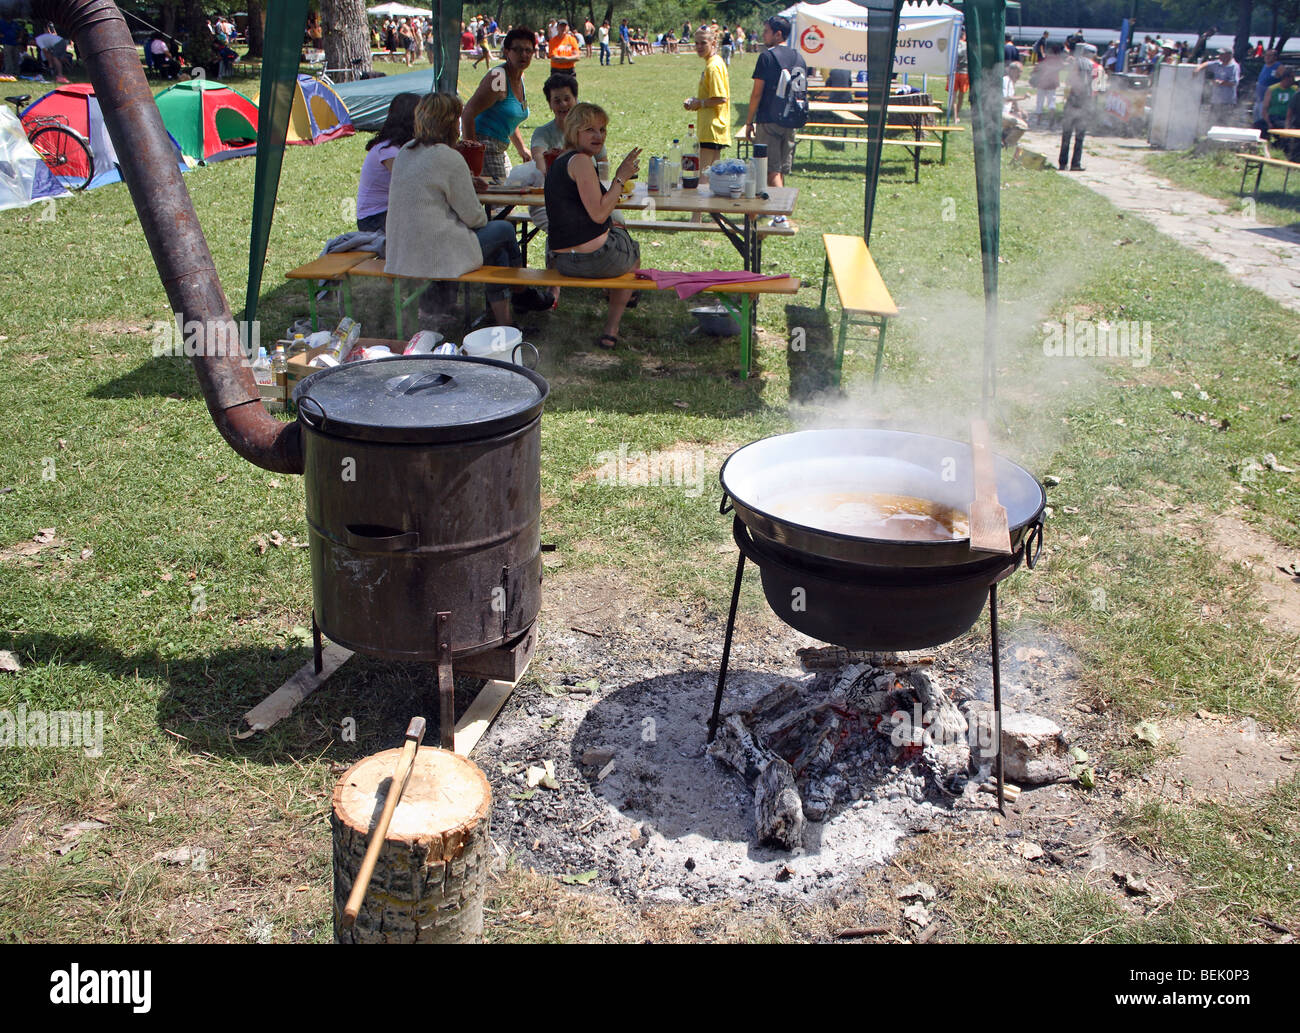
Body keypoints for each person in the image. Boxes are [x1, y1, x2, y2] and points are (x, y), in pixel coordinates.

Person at [386, 93, 548, 328]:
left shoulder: (406, 152)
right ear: (451, 123)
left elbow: (427, 190)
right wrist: (466, 188)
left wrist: (465, 183)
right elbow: (475, 218)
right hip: (434, 254)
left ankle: (506, 323)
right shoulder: (449, 157)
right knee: (503, 229)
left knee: (498, 252)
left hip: (402, 251)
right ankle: (521, 292)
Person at [544, 102, 642, 350]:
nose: (599, 136)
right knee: (632, 250)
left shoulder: (560, 160)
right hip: (595, 259)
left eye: (602, 129)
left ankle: (617, 296)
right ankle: (612, 328)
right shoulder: (581, 161)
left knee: (618, 231)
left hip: (563, 262)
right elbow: (599, 214)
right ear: (575, 130)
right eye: (590, 129)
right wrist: (621, 176)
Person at [745, 14, 808, 206]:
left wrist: (749, 121)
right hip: (792, 120)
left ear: (778, 34)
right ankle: (770, 209)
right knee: (780, 169)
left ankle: (780, 214)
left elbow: (757, 93)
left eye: (766, 31)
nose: (763, 35)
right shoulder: (799, 57)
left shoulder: (766, 57)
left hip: (769, 120)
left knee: (770, 170)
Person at [462, 26, 535, 180]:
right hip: (484, 145)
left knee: (509, 197)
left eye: (528, 50)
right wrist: (472, 155)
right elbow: (468, 113)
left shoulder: (520, 77)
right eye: (518, 50)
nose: (524, 55)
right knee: (501, 201)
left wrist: (522, 148)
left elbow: (507, 118)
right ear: (507, 51)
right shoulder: (498, 77)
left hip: (500, 147)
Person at [356, 93, 419, 232]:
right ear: (411, 120)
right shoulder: (389, 152)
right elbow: (412, 184)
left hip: (386, 213)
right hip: (373, 219)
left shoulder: (397, 148)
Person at [686, 26, 731, 171]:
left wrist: (700, 103)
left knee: (702, 178)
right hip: (712, 129)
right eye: (697, 43)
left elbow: (721, 98)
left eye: (703, 43)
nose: (699, 47)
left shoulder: (713, 67)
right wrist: (696, 102)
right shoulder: (712, 63)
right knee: (711, 176)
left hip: (712, 129)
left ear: (713, 42)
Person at [1059, 43, 1095, 171]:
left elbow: (1068, 81)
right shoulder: (1091, 65)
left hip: (1071, 101)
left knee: (1066, 134)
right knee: (1079, 136)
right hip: (1083, 103)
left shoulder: (1074, 63)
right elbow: (1089, 84)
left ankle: (1062, 163)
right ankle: (1075, 164)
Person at [1257, 66, 1298, 158]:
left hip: (1287, 119)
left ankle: (1285, 151)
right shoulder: (1272, 89)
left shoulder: (1295, 89)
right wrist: (1268, 122)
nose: (1293, 80)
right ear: (1286, 78)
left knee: (1284, 127)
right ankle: (1262, 150)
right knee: (1258, 126)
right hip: (1273, 117)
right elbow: (1265, 108)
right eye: (1291, 78)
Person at [1197, 47, 1241, 126]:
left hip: (1227, 101)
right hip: (1215, 100)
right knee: (1212, 120)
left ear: (1229, 55)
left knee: (1224, 122)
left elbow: (1234, 82)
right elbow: (1207, 63)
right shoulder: (1217, 63)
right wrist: (1198, 68)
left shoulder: (1234, 66)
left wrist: (1220, 83)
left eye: (1222, 54)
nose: (1219, 56)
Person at [1002, 62, 1028, 152]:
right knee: (1023, 126)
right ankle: (1008, 144)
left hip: (1005, 113)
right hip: (999, 114)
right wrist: (1023, 97)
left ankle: (1003, 138)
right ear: (1012, 71)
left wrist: (1019, 111)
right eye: (1019, 72)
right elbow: (1006, 98)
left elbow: (1013, 100)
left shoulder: (1011, 82)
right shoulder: (1005, 80)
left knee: (1023, 115)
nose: (1020, 74)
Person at [1253, 49, 1281, 122]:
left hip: (1268, 100)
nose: (1267, 57)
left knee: (1263, 120)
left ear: (1275, 57)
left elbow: (1286, 80)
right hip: (1259, 99)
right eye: (1266, 55)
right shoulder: (1265, 65)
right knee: (1256, 120)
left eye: (1270, 55)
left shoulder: (1278, 66)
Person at [953, 28, 969, 121]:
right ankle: (957, 115)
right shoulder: (967, 46)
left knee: (953, 96)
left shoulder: (954, 45)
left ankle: (954, 116)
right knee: (961, 96)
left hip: (954, 72)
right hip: (964, 72)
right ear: (964, 36)